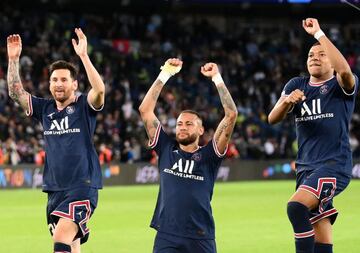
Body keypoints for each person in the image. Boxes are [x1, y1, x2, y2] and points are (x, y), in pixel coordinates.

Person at [7, 28, 105, 253]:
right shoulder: (45, 109)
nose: (58, 84)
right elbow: (15, 93)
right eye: (54, 80)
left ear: (74, 85)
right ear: (49, 84)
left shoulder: (83, 106)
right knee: (72, 245)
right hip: (54, 189)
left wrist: (83, 56)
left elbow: (99, 90)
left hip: (82, 186)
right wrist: (13, 60)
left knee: (60, 239)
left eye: (64, 79)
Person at [268, 18, 358, 253]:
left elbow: (345, 71)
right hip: (306, 168)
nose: (315, 57)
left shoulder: (340, 86)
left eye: (321, 54)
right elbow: (272, 118)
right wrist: (287, 102)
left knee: (296, 207)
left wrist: (318, 34)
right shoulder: (296, 85)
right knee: (322, 237)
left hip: (334, 165)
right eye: (310, 55)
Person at [138, 58, 238, 253]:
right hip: (167, 234)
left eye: (189, 124)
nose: (182, 127)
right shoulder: (166, 149)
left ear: (201, 130)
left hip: (200, 236)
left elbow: (231, 115)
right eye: (180, 124)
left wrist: (217, 78)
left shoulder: (210, 156)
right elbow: (145, 110)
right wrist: (165, 73)